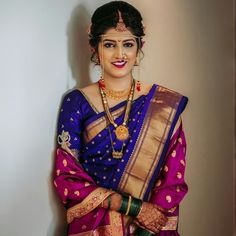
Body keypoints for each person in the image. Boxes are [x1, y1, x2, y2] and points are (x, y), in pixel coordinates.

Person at [54, 1, 188, 235]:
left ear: (139, 46)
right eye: (109, 44)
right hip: (96, 227)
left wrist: (146, 229)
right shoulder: (76, 102)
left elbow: (172, 180)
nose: (119, 54)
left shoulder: (163, 106)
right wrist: (131, 207)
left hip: (149, 229)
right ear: (95, 48)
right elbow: (67, 176)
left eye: (127, 44)